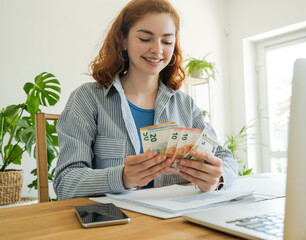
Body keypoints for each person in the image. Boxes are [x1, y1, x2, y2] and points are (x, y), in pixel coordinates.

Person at [54, 0, 238, 200]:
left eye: (167, 41)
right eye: (145, 38)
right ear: (123, 40)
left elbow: (225, 158)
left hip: (174, 224)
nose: (157, 50)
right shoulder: (88, 99)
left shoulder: (185, 105)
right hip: (116, 226)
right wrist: (123, 177)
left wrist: (218, 178)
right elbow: (65, 182)